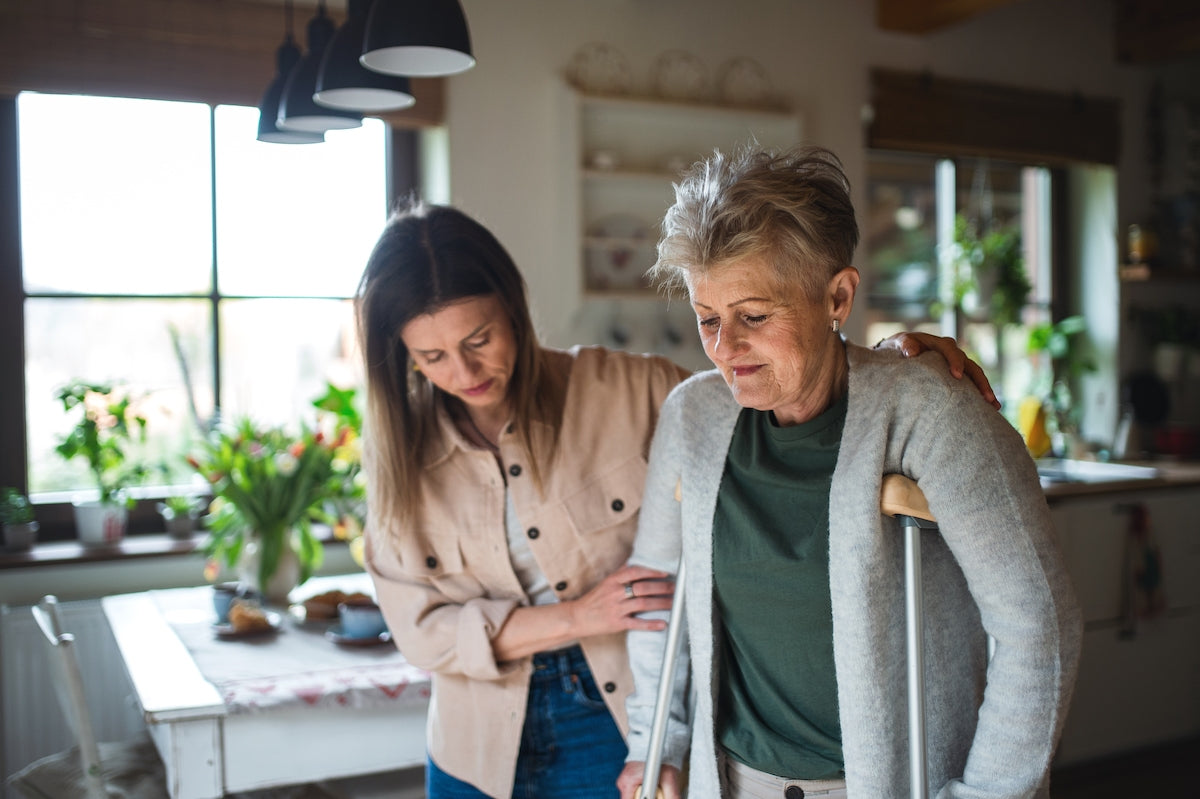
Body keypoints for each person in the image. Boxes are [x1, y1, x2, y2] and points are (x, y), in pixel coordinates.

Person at [354, 199, 998, 799]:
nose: (464, 374)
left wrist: (876, 362)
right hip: (475, 743)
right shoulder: (397, 459)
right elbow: (420, 632)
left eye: (479, 340)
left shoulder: (633, 390)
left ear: (513, 310)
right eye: (431, 357)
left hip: (615, 718)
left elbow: (762, 381)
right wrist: (580, 616)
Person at [617, 145, 1082, 799]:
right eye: (707, 319)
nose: (726, 347)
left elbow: (1037, 620)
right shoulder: (693, 414)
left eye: (753, 316)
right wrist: (655, 743)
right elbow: (656, 600)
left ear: (837, 295)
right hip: (727, 781)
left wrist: (991, 793)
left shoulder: (930, 410)